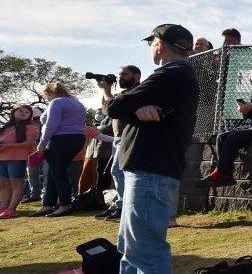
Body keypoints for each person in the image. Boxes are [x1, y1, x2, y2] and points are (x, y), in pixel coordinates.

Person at [106, 23, 200, 273]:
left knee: (144, 250)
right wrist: (136, 110)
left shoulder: (172, 73)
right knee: (130, 247)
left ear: (159, 45)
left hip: (151, 170)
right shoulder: (177, 74)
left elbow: (113, 107)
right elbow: (122, 106)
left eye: (151, 43)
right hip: (148, 169)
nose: (151, 48)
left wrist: (130, 108)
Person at [198, 67, 252, 187]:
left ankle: (222, 173)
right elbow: (251, 115)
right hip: (251, 125)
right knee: (221, 137)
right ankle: (224, 172)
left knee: (234, 136)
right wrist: (245, 111)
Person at [30, 82, 87, 218]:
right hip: (78, 138)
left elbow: (51, 124)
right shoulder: (78, 104)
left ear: (49, 93)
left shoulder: (56, 102)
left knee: (58, 172)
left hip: (60, 139)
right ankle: (47, 204)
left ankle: (65, 205)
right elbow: (46, 118)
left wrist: (42, 143)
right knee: (53, 171)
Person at [94, 65, 141, 221]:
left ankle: (122, 207)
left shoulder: (137, 91)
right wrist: (104, 89)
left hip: (128, 138)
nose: (121, 77)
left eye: (125, 74)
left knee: (118, 172)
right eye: (120, 74)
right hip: (118, 139)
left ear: (137, 76)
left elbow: (113, 107)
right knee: (117, 173)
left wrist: (107, 91)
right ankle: (119, 204)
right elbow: (106, 108)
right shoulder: (123, 93)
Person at [0, 104, 40, 218]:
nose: (23, 113)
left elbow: (28, 143)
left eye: (27, 112)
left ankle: (11, 209)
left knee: (16, 184)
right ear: (14, 112)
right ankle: (3, 207)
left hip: (17, 159)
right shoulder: (6, 127)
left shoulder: (30, 127)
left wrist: (8, 146)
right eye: (20, 110)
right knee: (3, 184)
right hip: (2, 159)